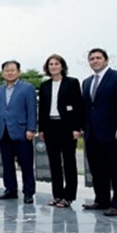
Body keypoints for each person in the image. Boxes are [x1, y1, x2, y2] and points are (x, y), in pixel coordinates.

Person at [82, 48, 117, 216]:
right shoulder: (87, 82)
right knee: (97, 169)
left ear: (106, 60)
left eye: (98, 58)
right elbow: (87, 108)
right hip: (92, 133)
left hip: (114, 133)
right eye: (91, 59)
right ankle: (101, 200)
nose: (95, 61)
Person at [38, 54, 83, 208]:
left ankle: (69, 196)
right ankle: (57, 194)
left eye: (56, 63)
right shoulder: (45, 85)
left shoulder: (72, 83)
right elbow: (42, 109)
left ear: (62, 66)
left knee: (69, 162)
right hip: (50, 126)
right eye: (51, 64)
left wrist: (77, 128)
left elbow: (78, 106)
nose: (54, 66)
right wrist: (41, 129)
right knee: (54, 163)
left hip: (66, 126)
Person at [0, 60, 37, 204]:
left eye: (12, 70)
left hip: (22, 132)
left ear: (19, 72)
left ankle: (28, 192)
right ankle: (10, 189)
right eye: (6, 70)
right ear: (2, 73)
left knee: (26, 163)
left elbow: (31, 110)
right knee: (7, 163)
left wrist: (31, 128)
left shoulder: (27, 88)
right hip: (3, 131)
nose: (9, 73)